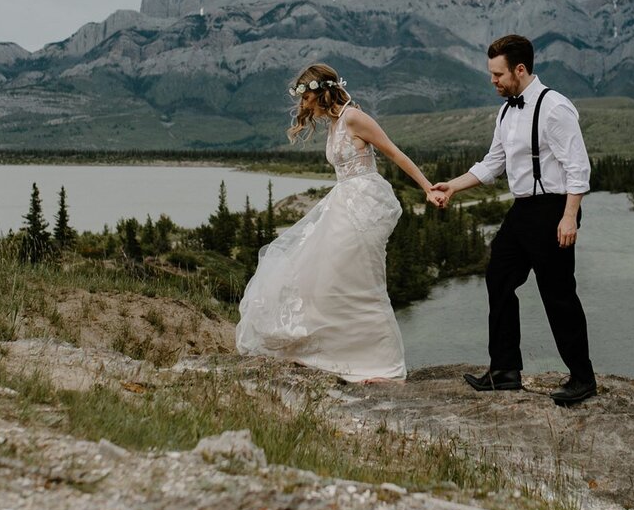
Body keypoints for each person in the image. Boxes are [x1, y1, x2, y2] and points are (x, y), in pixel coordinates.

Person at [236, 63, 437, 382]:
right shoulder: (333, 124)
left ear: (318, 92)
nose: (303, 106)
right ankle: (337, 353)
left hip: (365, 205)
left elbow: (395, 153)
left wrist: (427, 187)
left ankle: (384, 365)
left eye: (305, 98)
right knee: (327, 279)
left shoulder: (354, 117)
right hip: (343, 202)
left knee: (362, 282)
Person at [431, 34, 597, 406]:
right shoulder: (506, 111)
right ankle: (505, 370)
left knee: (558, 295)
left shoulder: (555, 107)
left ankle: (583, 378)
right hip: (522, 210)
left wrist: (570, 217)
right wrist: (454, 187)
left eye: (497, 75)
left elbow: (578, 167)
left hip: (555, 209)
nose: (493, 81)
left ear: (520, 70)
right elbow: (493, 162)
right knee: (499, 277)